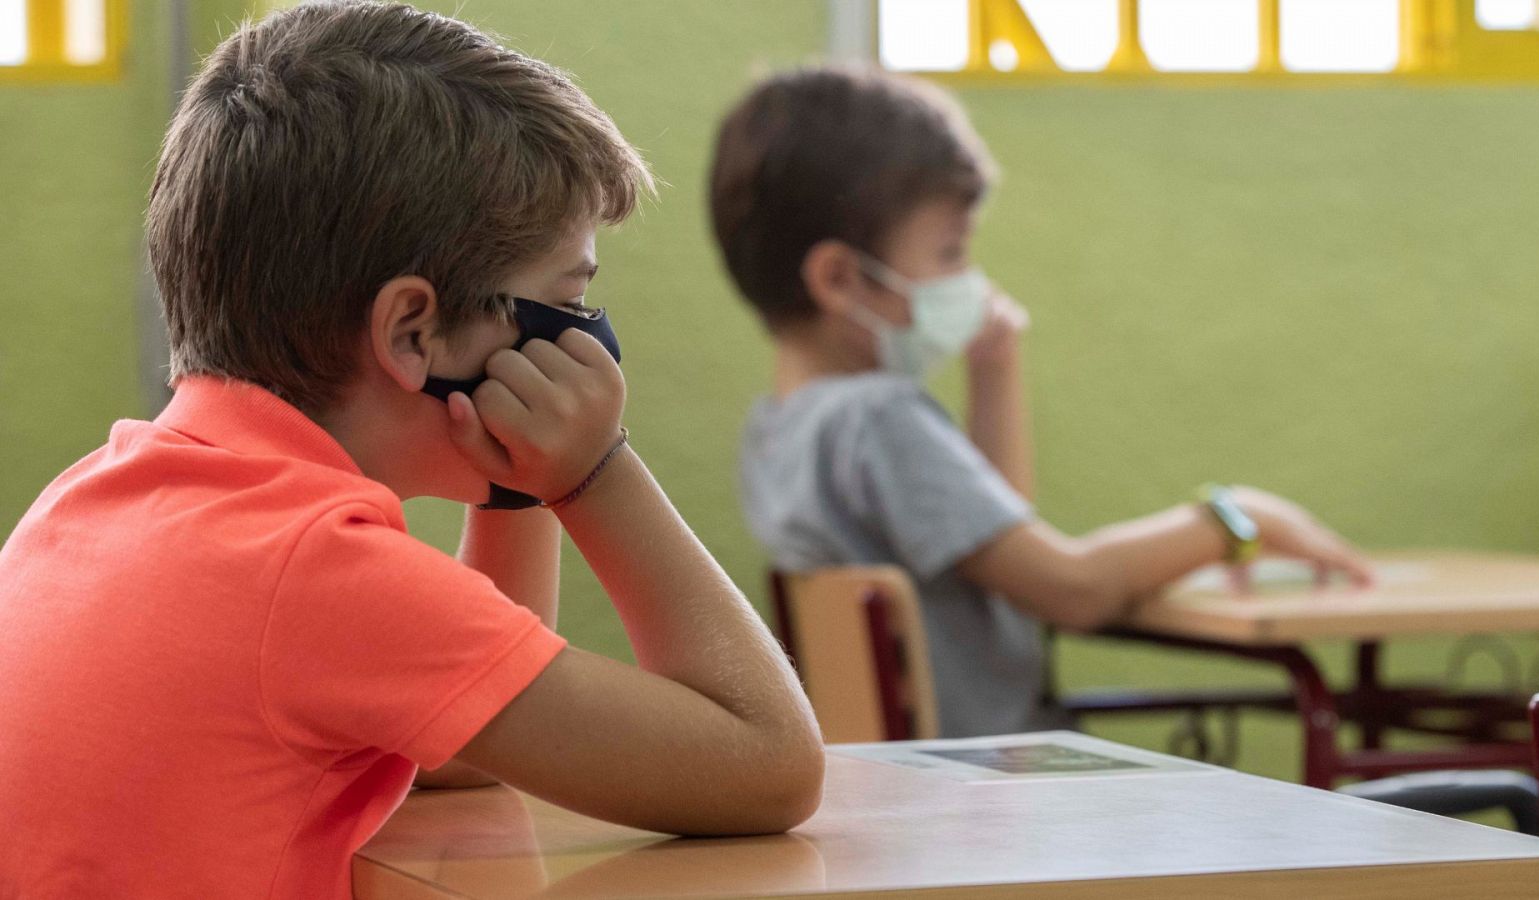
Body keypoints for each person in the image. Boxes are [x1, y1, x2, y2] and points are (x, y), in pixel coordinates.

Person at [0, 4, 822, 897]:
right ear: (411, 332)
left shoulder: (97, 501)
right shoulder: (311, 571)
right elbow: (767, 762)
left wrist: (517, 490)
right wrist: (594, 473)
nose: (585, 342)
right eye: (565, 302)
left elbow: (459, 745)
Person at [709, 66, 1373, 738]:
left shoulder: (781, 429)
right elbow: (1069, 589)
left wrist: (994, 370)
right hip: (991, 790)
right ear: (840, 278)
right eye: (949, 253)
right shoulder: (877, 418)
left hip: (923, 790)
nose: (967, 280)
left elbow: (1000, 550)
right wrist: (1236, 518)